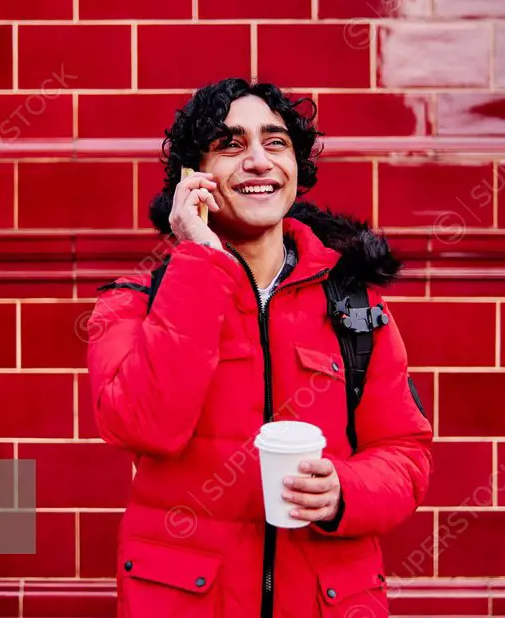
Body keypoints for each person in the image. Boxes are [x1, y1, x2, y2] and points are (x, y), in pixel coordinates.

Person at [86, 77, 433, 618]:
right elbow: (143, 424)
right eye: (230, 145)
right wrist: (200, 258)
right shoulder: (134, 304)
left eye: (275, 143)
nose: (257, 161)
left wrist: (345, 490)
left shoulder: (355, 307)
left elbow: (406, 455)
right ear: (192, 178)